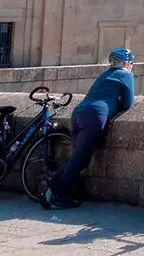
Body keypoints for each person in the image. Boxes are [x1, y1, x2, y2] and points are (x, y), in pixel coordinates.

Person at [44, 47, 135, 209]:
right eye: (131, 62)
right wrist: (118, 100)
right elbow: (127, 103)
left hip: (78, 113)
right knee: (80, 158)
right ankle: (60, 195)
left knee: (79, 157)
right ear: (126, 63)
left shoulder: (104, 75)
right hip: (95, 116)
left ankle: (52, 187)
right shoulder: (126, 75)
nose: (132, 66)